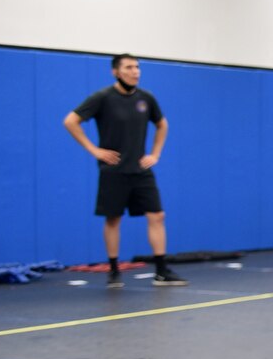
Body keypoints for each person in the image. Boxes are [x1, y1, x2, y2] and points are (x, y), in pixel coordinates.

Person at [63, 54, 185, 288]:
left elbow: (162, 124)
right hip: (114, 170)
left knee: (157, 215)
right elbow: (70, 121)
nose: (135, 71)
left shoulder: (146, 98)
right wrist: (95, 150)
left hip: (140, 170)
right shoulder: (102, 98)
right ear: (116, 72)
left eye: (137, 67)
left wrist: (155, 154)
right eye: (129, 67)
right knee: (113, 219)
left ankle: (161, 272)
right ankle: (114, 270)